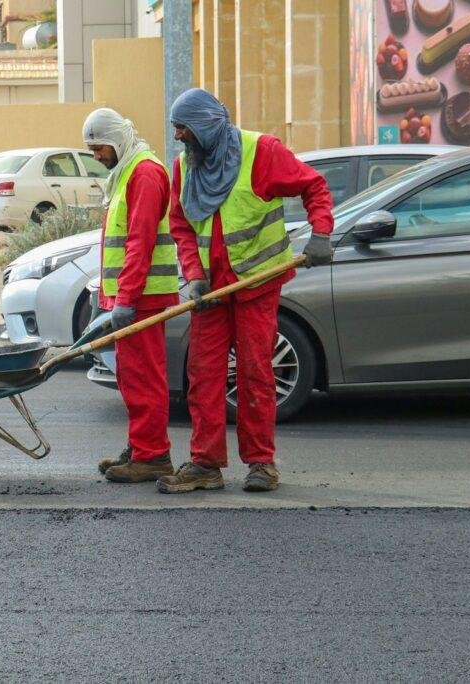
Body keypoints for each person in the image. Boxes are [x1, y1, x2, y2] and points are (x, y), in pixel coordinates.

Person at [158, 89, 334, 494]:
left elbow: (315, 187)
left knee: (256, 372)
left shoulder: (262, 152)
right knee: (203, 376)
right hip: (211, 292)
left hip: (256, 284)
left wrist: (321, 234)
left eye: (183, 128)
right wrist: (194, 274)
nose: (178, 136)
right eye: (176, 128)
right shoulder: (185, 167)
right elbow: (181, 225)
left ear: (206, 125)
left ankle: (261, 463)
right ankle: (205, 464)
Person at [82, 108, 179, 483]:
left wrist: (126, 297)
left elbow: (140, 242)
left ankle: (152, 456)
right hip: (133, 297)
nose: (97, 156)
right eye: (92, 149)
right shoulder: (127, 172)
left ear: (117, 140)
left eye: (100, 148)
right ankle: (142, 447)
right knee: (131, 377)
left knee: (144, 378)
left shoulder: (145, 173)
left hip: (143, 299)